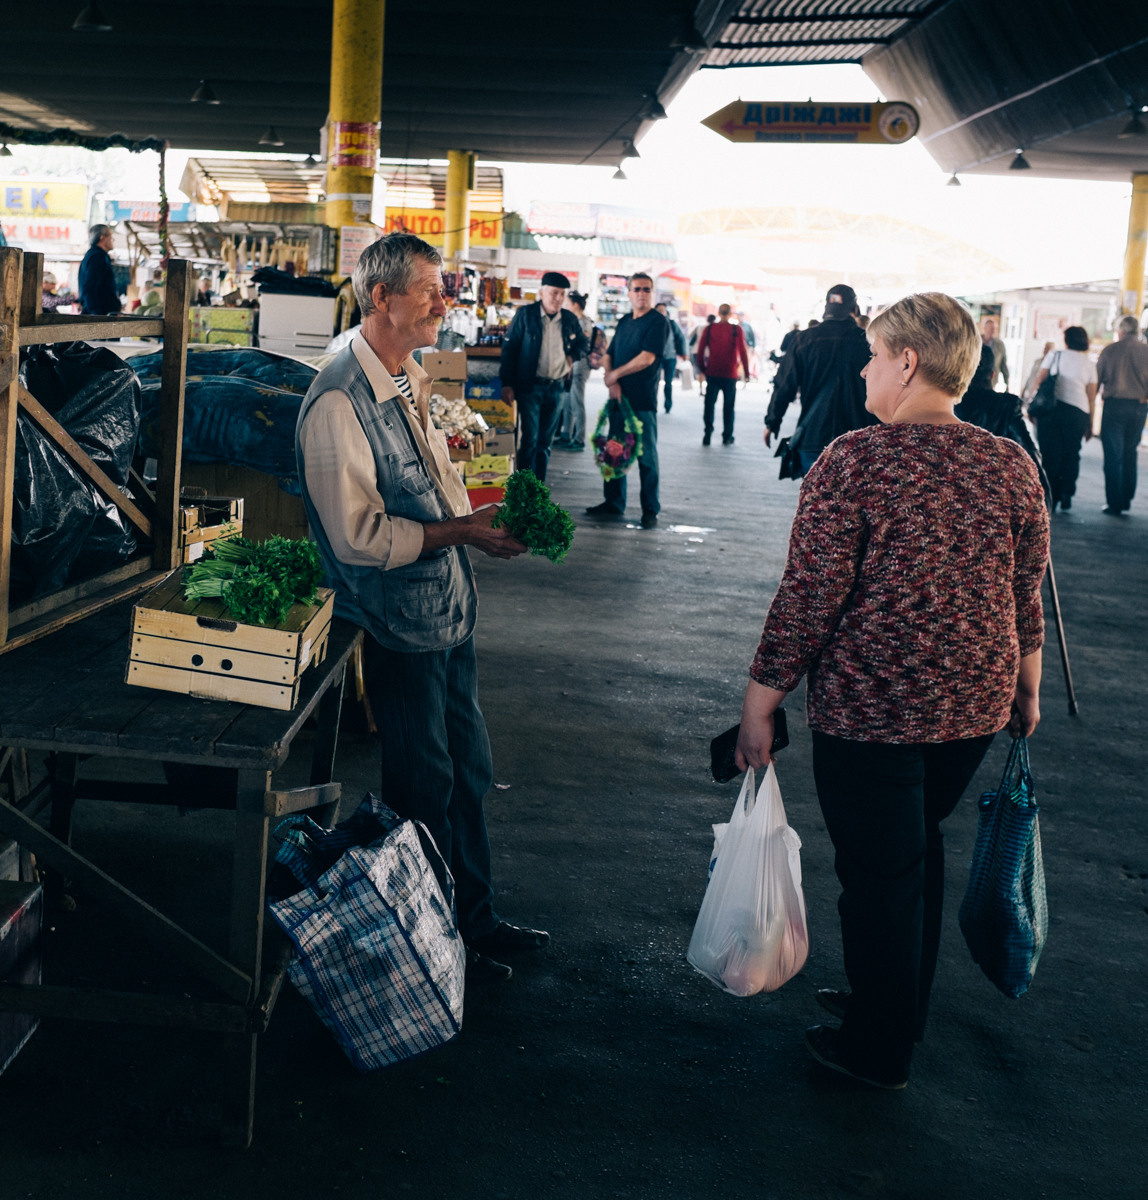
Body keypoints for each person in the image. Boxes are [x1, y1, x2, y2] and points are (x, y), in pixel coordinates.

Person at [735, 291, 1049, 1091]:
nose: (868, 369)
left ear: (908, 363)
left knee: (879, 874)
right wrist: (1027, 685)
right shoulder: (1009, 461)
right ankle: (898, 1005)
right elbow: (1025, 589)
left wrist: (760, 703)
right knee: (912, 848)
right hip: (974, 703)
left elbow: (809, 596)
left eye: (875, 355)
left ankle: (878, 1049)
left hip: (872, 709)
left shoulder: (854, 459)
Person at [295, 232, 548, 984]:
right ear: (383, 297)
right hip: (397, 625)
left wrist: (473, 510)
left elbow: (428, 480)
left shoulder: (401, 376)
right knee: (421, 786)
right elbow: (357, 536)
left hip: (447, 611)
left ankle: (474, 921)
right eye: (432, 288)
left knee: (468, 772)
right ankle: (426, 945)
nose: (447, 301)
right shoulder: (338, 400)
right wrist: (460, 530)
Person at [585, 272, 668, 529]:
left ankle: (650, 510)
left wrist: (615, 376)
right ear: (629, 293)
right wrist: (612, 379)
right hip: (618, 400)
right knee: (614, 452)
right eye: (637, 289)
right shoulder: (624, 322)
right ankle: (613, 502)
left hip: (641, 403)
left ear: (651, 293)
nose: (641, 293)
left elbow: (647, 358)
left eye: (646, 289)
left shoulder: (657, 322)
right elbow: (609, 354)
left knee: (646, 459)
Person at [764, 284, 873, 474]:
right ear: (855, 310)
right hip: (857, 437)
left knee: (813, 500)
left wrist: (772, 421)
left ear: (825, 308)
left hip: (813, 434)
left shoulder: (803, 340)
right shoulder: (867, 342)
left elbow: (784, 385)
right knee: (853, 501)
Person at [499, 270, 587, 482]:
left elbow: (583, 344)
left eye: (562, 294)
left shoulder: (569, 319)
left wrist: (571, 358)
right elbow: (509, 350)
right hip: (530, 387)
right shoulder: (525, 315)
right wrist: (507, 383)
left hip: (556, 388)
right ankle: (523, 489)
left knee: (545, 444)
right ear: (541, 292)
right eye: (554, 293)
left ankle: (538, 488)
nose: (558, 298)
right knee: (529, 440)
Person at [1030, 325, 1096, 512]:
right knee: (1071, 453)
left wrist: (1031, 405)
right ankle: (1067, 492)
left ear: (1067, 340)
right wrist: (1090, 423)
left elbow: (1039, 380)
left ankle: (1052, 495)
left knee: (1050, 454)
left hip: (1052, 410)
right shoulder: (1089, 364)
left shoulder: (1055, 355)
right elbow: (1091, 396)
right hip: (1078, 413)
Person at [1095, 314, 1148, 516]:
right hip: (1139, 407)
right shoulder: (1146, 351)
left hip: (1114, 406)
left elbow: (1097, 380)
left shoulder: (1110, 350)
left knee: (1113, 455)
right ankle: (1126, 499)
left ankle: (1114, 503)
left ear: (1121, 331)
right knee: (1130, 452)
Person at [696, 303, 750, 445]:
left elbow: (700, 351)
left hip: (712, 372)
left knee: (709, 404)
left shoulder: (709, 329)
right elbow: (743, 351)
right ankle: (727, 435)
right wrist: (746, 372)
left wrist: (703, 368)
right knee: (729, 406)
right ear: (730, 313)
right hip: (730, 374)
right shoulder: (736, 329)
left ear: (718, 313)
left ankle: (707, 432)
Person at [555, 291, 595, 451]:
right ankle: (566, 435)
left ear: (575, 305)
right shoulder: (576, 321)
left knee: (577, 401)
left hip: (580, 366)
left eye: (568, 303)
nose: (565, 306)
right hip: (572, 366)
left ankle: (579, 439)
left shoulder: (584, 323)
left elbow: (581, 344)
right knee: (568, 402)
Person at [77, 224, 121, 315]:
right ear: (102, 237)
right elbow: (89, 288)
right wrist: (96, 315)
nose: (113, 240)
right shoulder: (97, 257)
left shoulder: (93, 255)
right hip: (100, 315)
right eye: (110, 236)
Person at [654, 302, 687, 413]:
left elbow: (681, 338)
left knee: (668, 383)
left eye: (663, 310)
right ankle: (653, 404)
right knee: (655, 381)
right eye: (659, 310)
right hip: (655, 357)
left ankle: (668, 405)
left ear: (666, 311)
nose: (661, 312)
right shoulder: (651, 323)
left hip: (670, 357)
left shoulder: (672, 324)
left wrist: (684, 353)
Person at [981, 316, 1009, 389]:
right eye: (990, 328)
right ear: (984, 328)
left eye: (993, 328)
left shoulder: (999, 344)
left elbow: (1003, 365)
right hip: (976, 379)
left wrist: (1007, 383)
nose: (992, 331)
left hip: (992, 380)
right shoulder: (976, 342)